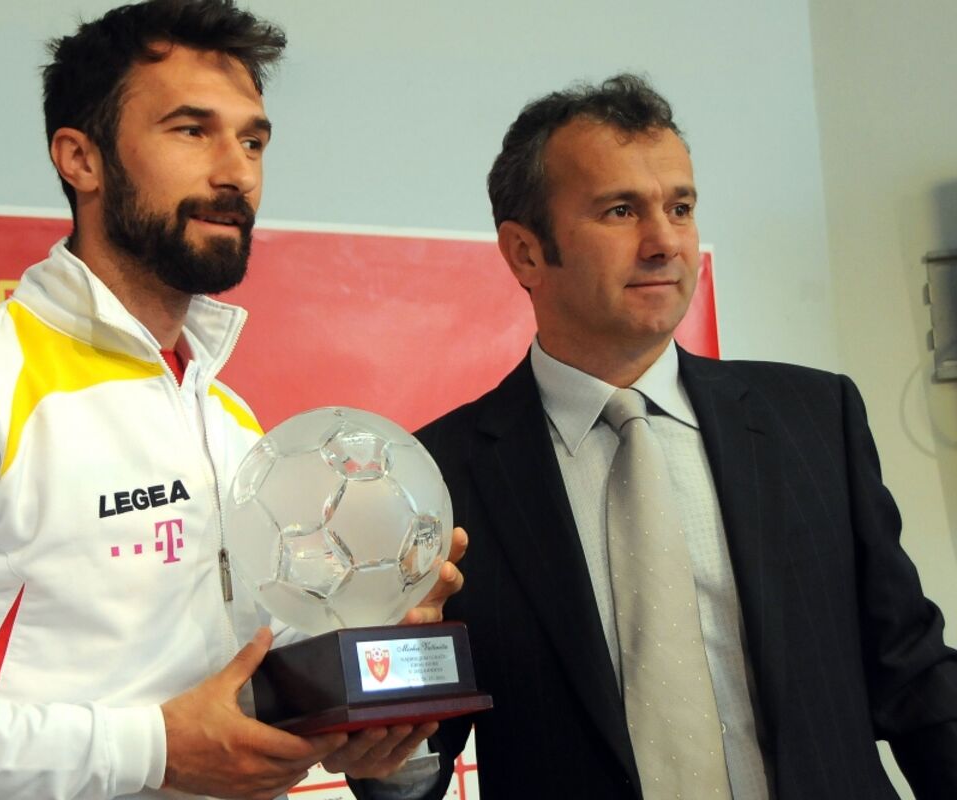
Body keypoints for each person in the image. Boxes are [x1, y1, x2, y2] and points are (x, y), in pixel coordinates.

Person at [0, 2, 462, 798]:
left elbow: (240, 706)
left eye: (253, 140)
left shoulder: (229, 423)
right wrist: (150, 749)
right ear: (80, 158)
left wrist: (375, 715)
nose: (236, 172)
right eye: (191, 130)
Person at [407, 74, 957, 799]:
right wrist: (388, 756)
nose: (666, 242)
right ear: (525, 253)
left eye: (681, 207)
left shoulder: (815, 418)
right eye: (621, 210)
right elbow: (415, 752)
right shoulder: (438, 473)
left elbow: (912, 675)